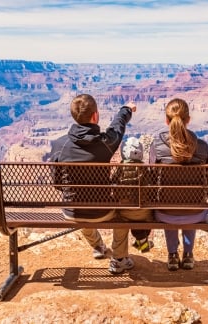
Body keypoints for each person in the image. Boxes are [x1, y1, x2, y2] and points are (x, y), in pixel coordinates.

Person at [48, 93, 137, 274]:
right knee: (125, 213)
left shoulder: (59, 145)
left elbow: (57, 184)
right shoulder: (106, 143)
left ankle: (97, 246)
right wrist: (126, 110)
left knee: (80, 207)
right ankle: (119, 258)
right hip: (101, 211)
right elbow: (117, 127)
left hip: (71, 211)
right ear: (95, 116)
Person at [148, 98, 208, 271]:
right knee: (190, 202)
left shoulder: (157, 146)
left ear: (166, 121)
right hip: (196, 213)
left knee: (168, 203)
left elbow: (151, 181)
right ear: (188, 120)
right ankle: (188, 255)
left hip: (165, 213)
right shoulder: (203, 147)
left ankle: (172, 255)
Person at [114, 136, 153, 253]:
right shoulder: (145, 170)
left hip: (124, 212)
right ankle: (142, 241)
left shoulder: (119, 169)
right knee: (143, 212)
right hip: (145, 213)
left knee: (130, 212)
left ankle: (141, 241)